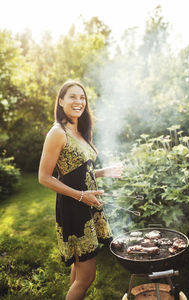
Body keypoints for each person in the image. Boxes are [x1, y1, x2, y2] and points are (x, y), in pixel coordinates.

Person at [38, 80, 123, 300]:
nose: (79, 101)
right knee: (87, 277)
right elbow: (44, 177)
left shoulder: (79, 130)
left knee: (78, 270)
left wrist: (104, 172)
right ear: (61, 101)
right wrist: (81, 196)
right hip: (73, 207)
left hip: (87, 203)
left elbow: (79, 171)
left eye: (82, 97)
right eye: (73, 97)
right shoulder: (57, 132)